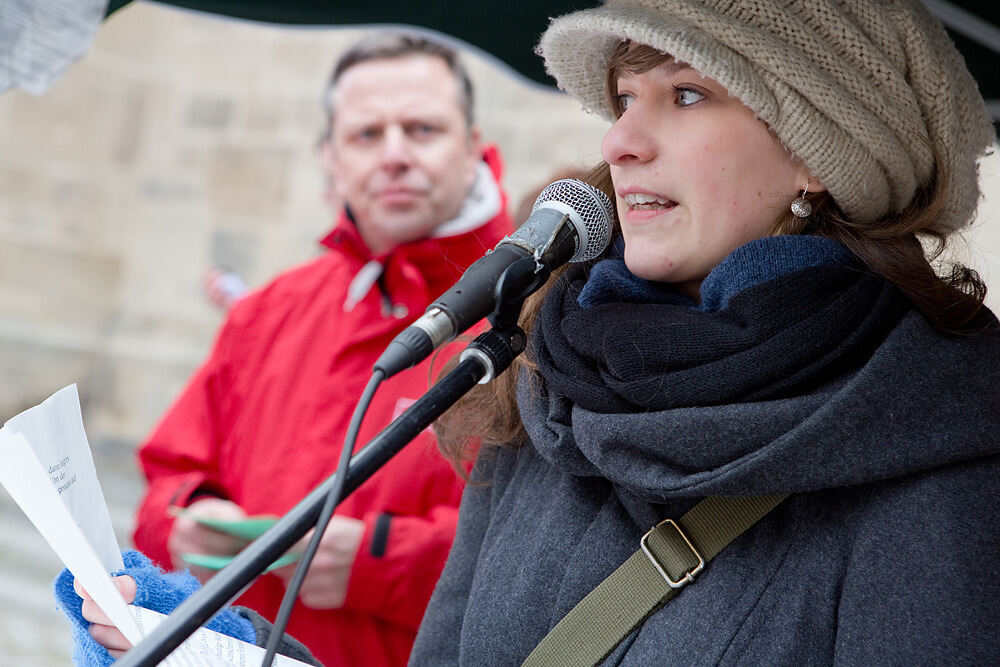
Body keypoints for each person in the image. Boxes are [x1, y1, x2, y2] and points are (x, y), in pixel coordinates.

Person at [71, 0, 1000, 664]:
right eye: (625, 100)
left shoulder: (941, 459)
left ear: (818, 152)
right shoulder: (546, 379)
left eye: (684, 95)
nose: (622, 142)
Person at [83, 31, 511, 667]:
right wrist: (186, 522)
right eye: (366, 135)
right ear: (331, 158)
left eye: (422, 129)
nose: (394, 155)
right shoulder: (268, 309)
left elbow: (547, 547)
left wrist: (377, 563)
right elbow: (167, 476)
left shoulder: (532, 318)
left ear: (474, 147)